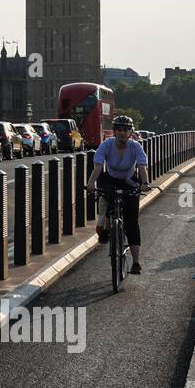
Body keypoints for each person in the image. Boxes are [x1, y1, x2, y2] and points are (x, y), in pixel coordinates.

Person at [86, 114, 151, 274]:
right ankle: (106, 229)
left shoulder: (135, 146)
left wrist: (144, 184)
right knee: (106, 200)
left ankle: (136, 262)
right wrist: (90, 183)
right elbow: (98, 167)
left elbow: (142, 167)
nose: (122, 133)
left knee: (131, 222)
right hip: (110, 180)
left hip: (129, 181)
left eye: (126, 130)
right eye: (119, 130)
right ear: (114, 132)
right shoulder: (107, 145)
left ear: (131, 133)